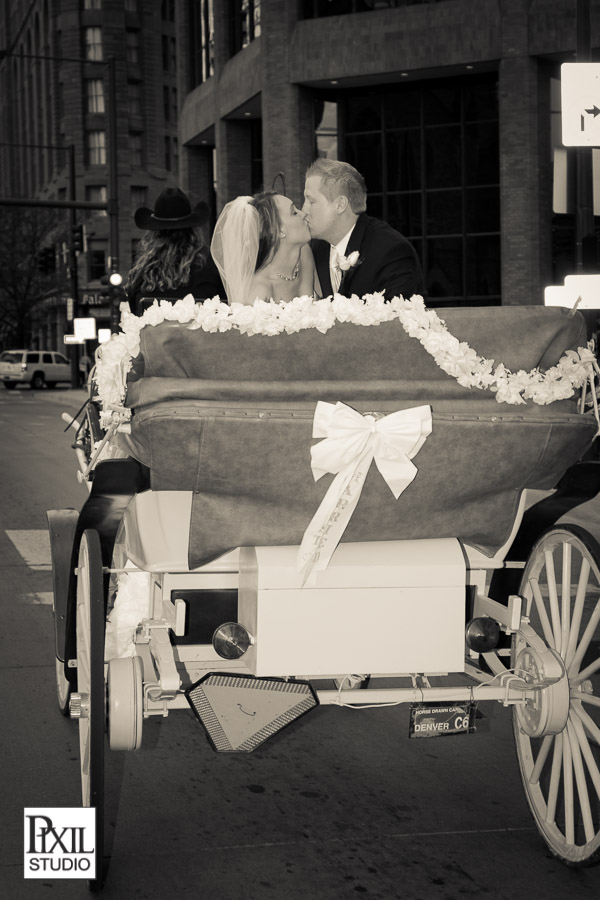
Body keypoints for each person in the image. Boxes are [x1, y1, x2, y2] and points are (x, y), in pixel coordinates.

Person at [302, 158, 425, 301]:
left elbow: (398, 320)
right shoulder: (317, 248)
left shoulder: (391, 252)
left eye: (311, 201)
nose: (304, 210)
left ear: (340, 205)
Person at [125, 187, 224, 314]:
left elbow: (134, 313)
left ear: (155, 233)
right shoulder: (211, 263)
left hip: (155, 334)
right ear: (193, 230)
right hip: (202, 333)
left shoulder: (141, 273)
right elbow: (225, 307)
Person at [210, 191, 320, 305]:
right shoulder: (257, 293)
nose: (303, 214)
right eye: (294, 212)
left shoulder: (304, 253)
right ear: (280, 231)